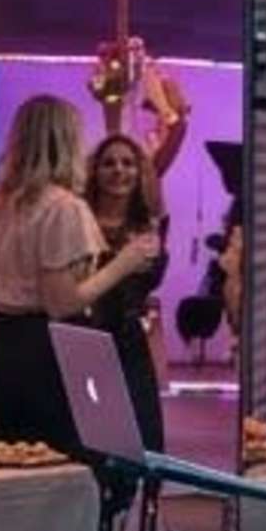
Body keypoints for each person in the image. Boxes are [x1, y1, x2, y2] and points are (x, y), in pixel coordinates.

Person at [0, 93, 159, 458]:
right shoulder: (64, 207)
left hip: (4, 343)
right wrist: (124, 262)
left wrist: (16, 274)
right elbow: (61, 303)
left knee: (12, 454)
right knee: (63, 460)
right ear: (67, 141)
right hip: (49, 349)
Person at [81, 130, 171, 453]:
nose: (119, 170)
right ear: (95, 171)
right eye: (109, 163)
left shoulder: (150, 223)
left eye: (128, 163)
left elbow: (151, 279)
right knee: (95, 431)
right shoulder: (80, 219)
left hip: (130, 337)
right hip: (87, 335)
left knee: (140, 432)